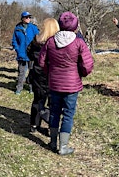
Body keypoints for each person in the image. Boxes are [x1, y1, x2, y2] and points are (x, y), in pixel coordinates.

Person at [39, 11, 93, 155]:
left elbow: (41, 62)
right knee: (68, 114)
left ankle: (52, 142)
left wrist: (50, 72)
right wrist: (80, 73)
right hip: (72, 84)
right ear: (75, 25)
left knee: (54, 112)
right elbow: (88, 65)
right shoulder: (78, 42)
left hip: (55, 83)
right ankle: (63, 147)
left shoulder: (50, 41)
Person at [27, 18, 60, 134]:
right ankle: (52, 126)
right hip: (53, 74)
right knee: (53, 102)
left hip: (37, 73)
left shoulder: (36, 40)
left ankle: (34, 124)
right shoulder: (58, 43)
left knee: (38, 100)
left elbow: (29, 53)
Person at [11, 11, 39, 94]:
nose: (28, 19)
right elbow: (14, 41)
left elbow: (38, 39)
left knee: (32, 72)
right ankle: (19, 88)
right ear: (22, 18)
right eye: (26, 17)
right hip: (22, 54)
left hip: (32, 54)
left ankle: (31, 88)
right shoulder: (17, 29)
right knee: (21, 72)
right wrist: (17, 49)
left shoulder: (33, 28)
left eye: (29, 17)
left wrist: (36, 49)